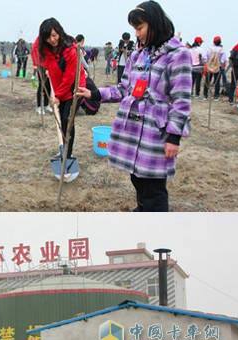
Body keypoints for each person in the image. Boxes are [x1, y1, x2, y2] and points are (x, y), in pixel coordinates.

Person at [77, 1, 192, 212]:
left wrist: (174, 137)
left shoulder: (178, 55)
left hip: (156, 133)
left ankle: (154, 222)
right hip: (133, 129)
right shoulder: (139, 55)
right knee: (137, 178)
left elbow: (181, 101)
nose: (137, 34)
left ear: (155, 24)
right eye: (135, 29)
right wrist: (94, 93)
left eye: (139, 28)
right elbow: (123, 89)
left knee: (154, 187)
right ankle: (142, 210)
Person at [38, 18, 86, 159]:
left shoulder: (70, 49)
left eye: (54, 35)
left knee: (67, 120)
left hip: (75, 88)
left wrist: (57, 96)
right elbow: (50, 64)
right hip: (61, 89)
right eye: (48, 37)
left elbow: (70, 76)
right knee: (62, 122)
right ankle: (64, 149)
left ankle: (67, 154)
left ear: (59, 31)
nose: (52, 39)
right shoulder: (47, 50)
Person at [31, 37, 52, 115]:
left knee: (48, 86)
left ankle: (47, 105)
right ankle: (39, 106)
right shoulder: (39, 39)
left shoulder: (51, 39)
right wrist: (35, 63)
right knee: (42, 85)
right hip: (41, 65)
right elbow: (33, 50)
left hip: (49, 65)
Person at [203, 36, 227, 101]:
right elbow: (223, 59)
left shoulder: (209, 48)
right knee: (217, 82)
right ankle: (216, 96)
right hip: (217, 67)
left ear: (213, 42)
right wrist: (221, 64)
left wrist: (206, 63)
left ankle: (205, 96)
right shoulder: (222, 50)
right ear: (220, 42)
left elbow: (204, 57)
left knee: (207, 81)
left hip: (209, 67)